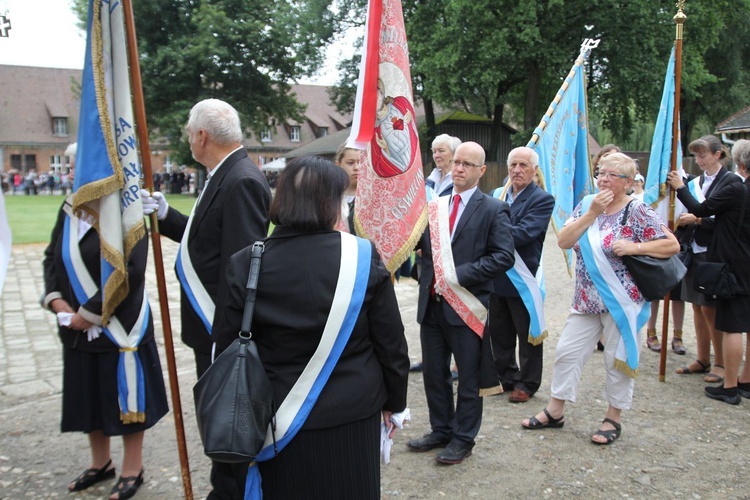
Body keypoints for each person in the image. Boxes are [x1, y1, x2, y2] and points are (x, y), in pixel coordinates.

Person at [212, 156, 409, 498]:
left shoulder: (246, 261)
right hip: (353, 411)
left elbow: (226, 345)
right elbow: (391, 342)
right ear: (331, 203)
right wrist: (396, 401)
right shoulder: (361, 255)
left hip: (274, 414)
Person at [140, 98, 271, 499]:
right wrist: (167, 217)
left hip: (224, 332)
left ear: (201, 136)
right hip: (211, 327)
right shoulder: (224, 172)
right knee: (217, 417)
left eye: (187, 130)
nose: (186, 137)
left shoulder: (242, 179)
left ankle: (229, 491)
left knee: (228, 420)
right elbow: (208, 243)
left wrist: (227, 341)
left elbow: (242, 268)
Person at [522, 153, 679, 444]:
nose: (603, 179)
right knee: (567, 353)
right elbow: (564, 241)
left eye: (611, 175)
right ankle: (555, 411)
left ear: (628, 182)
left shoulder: (637, 210)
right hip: (585, 299)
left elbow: (671, 244)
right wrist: (592, 213)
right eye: (600, 173)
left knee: (615, 360)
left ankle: (613, 417)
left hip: (621, 301)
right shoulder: (587, 204)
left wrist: (634, 247)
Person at [42, 143, 168, 500]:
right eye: (68, 169)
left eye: (76, 169)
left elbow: (131, 272)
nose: (70, 175)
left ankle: (132, 468)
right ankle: (101, 463)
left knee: (125, 400)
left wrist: (90, 313)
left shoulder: (125, 213)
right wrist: (57, 301)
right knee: (89, 397)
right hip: (76, 327)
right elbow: (52, 257)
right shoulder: (68, 209)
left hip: (119, 325)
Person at [407, 141, 514, 464]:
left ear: (481, 171)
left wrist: (459, 274)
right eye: (456, 162)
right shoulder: (436, 205)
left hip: (467, 305)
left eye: (467, 164)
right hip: (433, 305)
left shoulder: (494, 209)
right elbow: (424, 251)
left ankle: (463, 438)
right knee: (433, 374)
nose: (458, 168)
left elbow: (503, 257)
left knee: (468, 377)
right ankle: (441, 429)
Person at [667, 139, 750, 404]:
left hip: (735, 261)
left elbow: (703, 209)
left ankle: (729, 386)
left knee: (732, 325)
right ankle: (745, 381)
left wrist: (680, 188)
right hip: (742, 258)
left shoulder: (735, 186)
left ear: (736, 160)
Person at [488, 147, 554, 403]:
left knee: (528, 335)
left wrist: (489, 232)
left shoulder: (542, 199)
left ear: (534, 170)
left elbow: (524, 234)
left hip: (523, 278)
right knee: (500, 332)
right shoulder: (498, 194)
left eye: (523, 165)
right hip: (497, 275)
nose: (517, 170)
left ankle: (527, 382)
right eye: (513, 164)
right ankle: (505, 376)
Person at [334, 143, 361, 234]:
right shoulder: (330, 195)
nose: (356, 168)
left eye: (360, 162)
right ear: (338, 164)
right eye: (350, 163)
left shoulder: (371, 197)